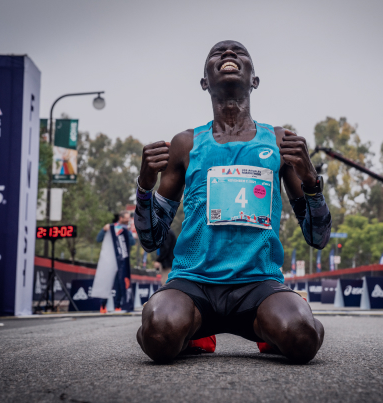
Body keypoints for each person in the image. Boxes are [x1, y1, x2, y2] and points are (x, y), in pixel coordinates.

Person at [134, 40, 331, 364]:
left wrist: (311, 181)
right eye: (218, 52)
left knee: (301, 338)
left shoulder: (280, 142)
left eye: (239, 52)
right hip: (193, 283)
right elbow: (151, 239)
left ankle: (275, 325)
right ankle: (189, 329)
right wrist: (144, 186)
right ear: (204, 82)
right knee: (159, 335)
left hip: (258, 285)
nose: (228, 53)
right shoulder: (186, 144)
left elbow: (318, 237)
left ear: (255, 80)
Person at [96, 211, 136, 313]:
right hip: (109, 260)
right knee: (106, 282)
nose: (128, 220)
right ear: (120, 218)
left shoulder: (126, 230)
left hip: (121, 261)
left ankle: (117, 306)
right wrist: (103, 230)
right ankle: (103, 305)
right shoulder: (111, 227)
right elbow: (98, 239)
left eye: (129, 218)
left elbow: (132, 242)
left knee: (119, 284)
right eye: (126, 218)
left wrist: (128, 233)